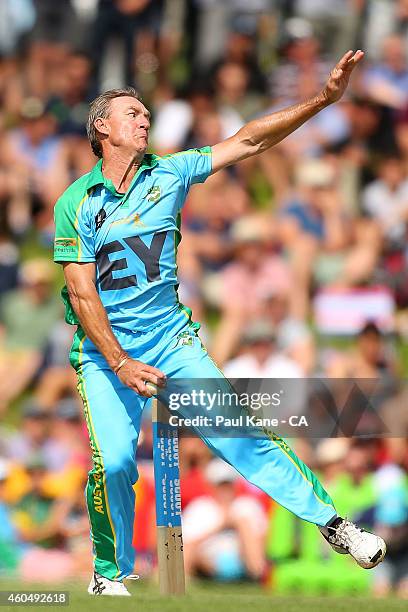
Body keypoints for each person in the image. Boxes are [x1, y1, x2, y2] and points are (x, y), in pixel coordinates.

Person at [53, 50, 386, 597]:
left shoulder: (169, 172)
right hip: (105, 354)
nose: (145, 119)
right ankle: (108, 574)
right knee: (112, 461)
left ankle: (334, 525)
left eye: (145, 113)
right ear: (101, 127)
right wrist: (119, 360)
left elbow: (250, 139)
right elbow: (80, 291)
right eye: (132, 112)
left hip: (171, 341)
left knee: (242, 435)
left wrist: (323, 101)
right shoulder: (77, 202)